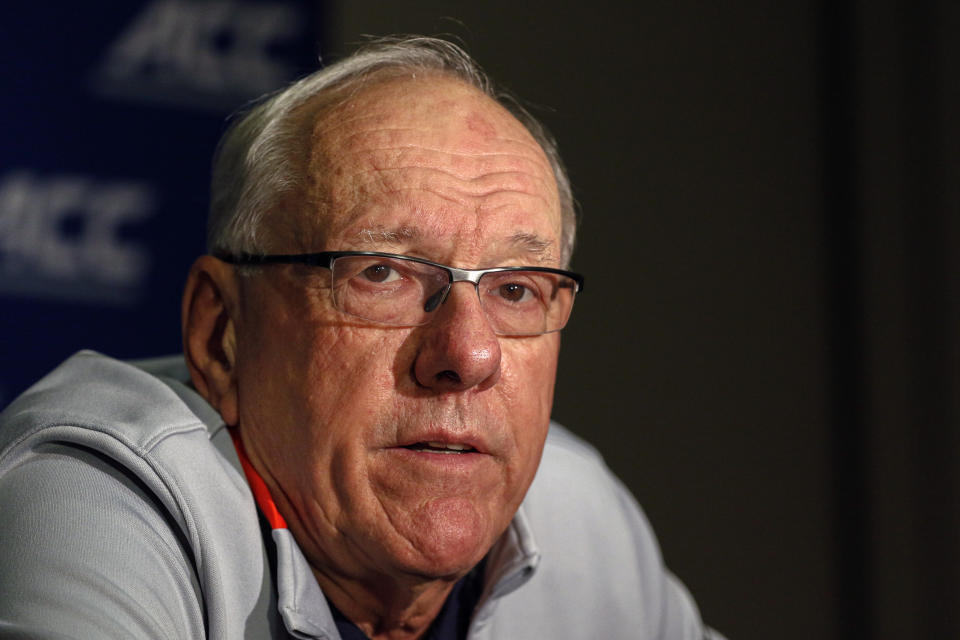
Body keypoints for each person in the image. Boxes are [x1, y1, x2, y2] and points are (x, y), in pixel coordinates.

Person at [0, 37, 723, 639]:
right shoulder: (97, 501)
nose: (468, 355)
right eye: (383, 274)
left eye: (514, 289)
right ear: (221, 332)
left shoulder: (585, 523)